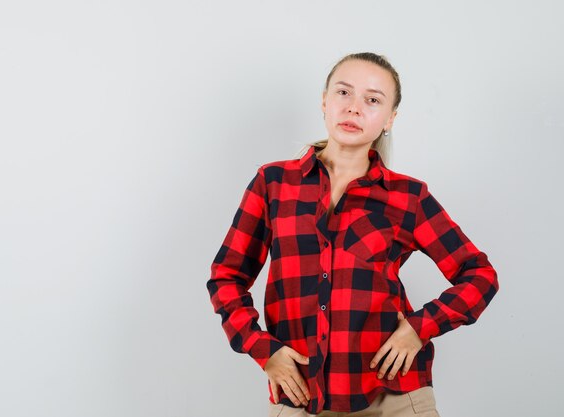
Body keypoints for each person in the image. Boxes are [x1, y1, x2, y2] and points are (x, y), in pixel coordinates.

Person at [206, 52, 499, 417]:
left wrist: (418, 328)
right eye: (344, 93)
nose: (354, 108)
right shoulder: (273, 184)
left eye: (372, 100)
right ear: (325, 102)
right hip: (300, 394)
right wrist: (264, 350)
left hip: (393, 392)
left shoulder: (408, 197)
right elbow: (227, 277)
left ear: (389, 118)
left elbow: (479, 275)